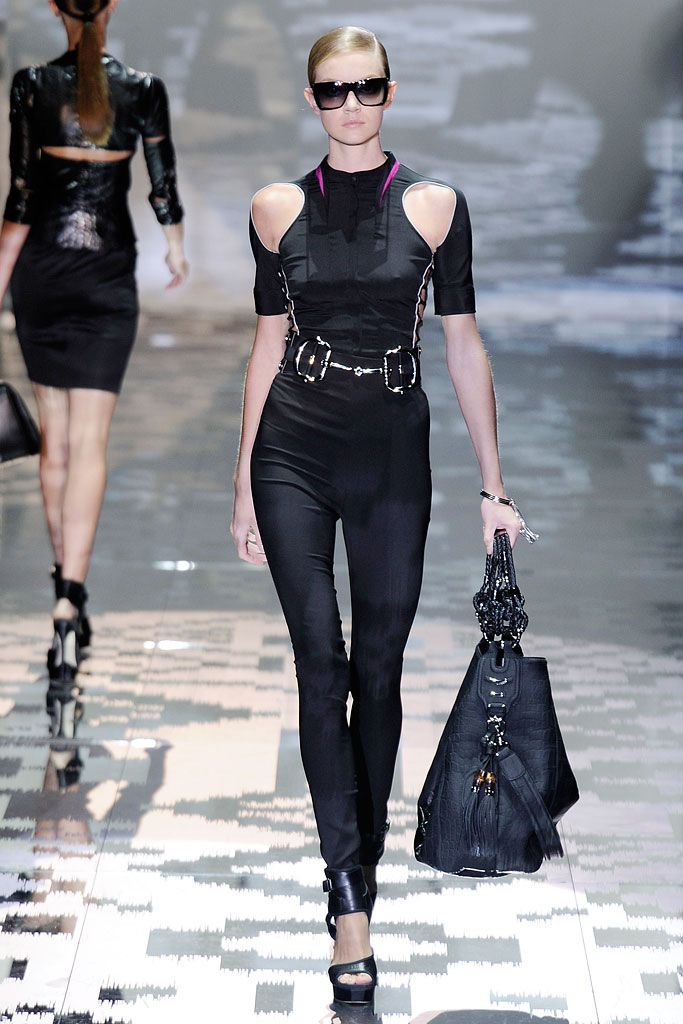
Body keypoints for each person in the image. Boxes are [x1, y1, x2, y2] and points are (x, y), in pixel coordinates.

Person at [231, 25, 526, 1006]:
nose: (349, 105)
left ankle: (357, 861)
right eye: (332, 90)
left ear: (389, 93)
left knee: (378, 670)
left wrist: (493, 487)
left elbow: (464, 345)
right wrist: (241, 481)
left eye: (365, 88)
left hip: (393, 453)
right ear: (310, 99)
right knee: (319, 662)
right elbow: (265, 345)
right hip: (292, 450)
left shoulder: (435, 206)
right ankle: (347, 895)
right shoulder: (274, 208)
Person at [0, 0, 188, 713]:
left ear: (55, 7)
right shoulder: (143, 89)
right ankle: (70, 598)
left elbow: (22, 196)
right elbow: (161, 180)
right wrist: (175, 245)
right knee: (90, 445)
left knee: (55, 448)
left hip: (44, 276)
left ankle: (64, 594)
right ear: (111, 7)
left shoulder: (31, 84)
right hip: (107, 278)